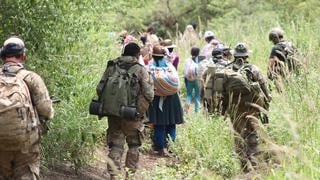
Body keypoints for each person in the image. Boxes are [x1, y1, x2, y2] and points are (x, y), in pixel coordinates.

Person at [96, 42, 154, 178]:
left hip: (113, 112)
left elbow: (100, 88)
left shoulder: (112, 66)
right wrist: (140, 108)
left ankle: (113, 176)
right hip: (132, 114)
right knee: (133, 145)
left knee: (116, 145)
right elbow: (149, 94)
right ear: (137, 54)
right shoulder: (140, 69)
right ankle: (129, 175)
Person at [0, 37, 54, 179]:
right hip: (25, 145)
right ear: (23, 56)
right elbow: (46, 111)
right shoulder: (31, 78)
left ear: (2, 56)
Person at [226, 43, 271, 172]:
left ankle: (243, 165)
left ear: (234, 55)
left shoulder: (227, 69)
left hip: (234, 107)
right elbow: (263, 87)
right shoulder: (253, 69)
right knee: (252, 131)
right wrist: (266, 102)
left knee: (238, 133)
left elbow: (221, 91)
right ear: (246, 55)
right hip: (252, 106)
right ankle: (254, 162)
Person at [147, 45, 184, 156]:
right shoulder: (169, 66)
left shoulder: (149, 66)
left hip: (156, 99)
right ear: (164, 56)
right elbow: (177, 83)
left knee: (159, 125)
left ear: (153, 55)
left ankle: (161, 148)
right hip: (172, 98)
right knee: (171, 124)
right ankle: (170, 146)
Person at [267, 27, 301, 92]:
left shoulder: (275, 48)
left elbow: (270, 66)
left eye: (272, 40)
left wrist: (269, 79)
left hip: (283, 77)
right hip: (294, 75)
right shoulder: (291, 45)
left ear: (274, 38)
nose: (272, 42)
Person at [183, 47, 201, 113]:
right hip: (197, 80)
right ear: (198, 53)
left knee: (189, 94)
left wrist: (186, 79)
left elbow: (184, 71)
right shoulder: (200, 60)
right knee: (197, 95)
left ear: (191, 52)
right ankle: (197, 111)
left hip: (189, 79)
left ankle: (186, 107)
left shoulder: (187, 60)